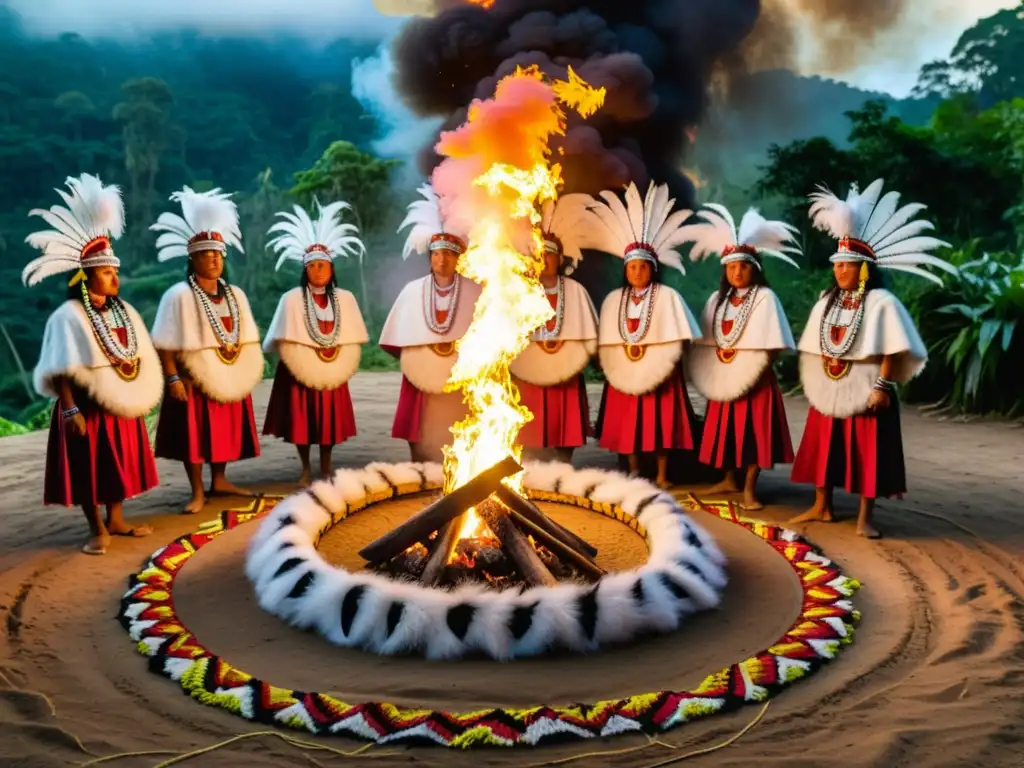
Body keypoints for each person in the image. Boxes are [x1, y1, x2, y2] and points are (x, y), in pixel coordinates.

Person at [789, 178, 955, 538]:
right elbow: (818, 347)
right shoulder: (826, 299)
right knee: (823, 447)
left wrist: (881, 387)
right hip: (831, 387)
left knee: (868, 452)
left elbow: (893, 349)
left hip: (867, 388)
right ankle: (822, 506)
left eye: (847, 266)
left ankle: (865, 516)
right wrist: (818, 383)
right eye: (837, 265)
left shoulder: (882, 304)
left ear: (863, 269)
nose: (839, 270)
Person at [24, 174, 161, 555]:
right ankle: (96, 527)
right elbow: (61, 368)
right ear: (86, 277)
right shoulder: (68, 316)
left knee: (120, 465)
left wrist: (137, 396)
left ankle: (116, 518)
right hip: (85, 407)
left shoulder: (125, 311)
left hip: (120, 404)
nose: (114, 277)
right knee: (90, 468)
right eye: (106, 272)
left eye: (115, 271)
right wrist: (70, 409)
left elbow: (136, 357)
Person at [580, 181, 702, 489]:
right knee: (628, 426)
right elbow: (605, 344)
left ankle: (662, 474)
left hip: (661, 373)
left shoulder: (668, 297)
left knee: (661, 425)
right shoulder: (613, 300)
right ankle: (633, 471)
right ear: (626, 269)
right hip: (624, 373)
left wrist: (666, 362)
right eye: (632, 267)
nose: (637, 272)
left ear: (653, 269)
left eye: (643, 267)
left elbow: (683, 338)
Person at [149, 187, 264, 513]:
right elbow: (165, 342)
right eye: (206, 253)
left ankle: (221, 480)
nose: (214, 258)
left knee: (224, 431)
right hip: (192, 377)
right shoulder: (178, 295)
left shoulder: (235, 294)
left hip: (228, 373)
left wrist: (242, 371)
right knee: (195, 436)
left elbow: (246, 339)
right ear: (193, 258)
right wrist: (172, 378)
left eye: (218, 253)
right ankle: (197, 490)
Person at [681, 205, 801, 509]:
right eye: (731, 266)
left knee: (754, 436)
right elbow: (708, 344)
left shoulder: (764, 298)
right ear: (725, 269)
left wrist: (754, 372)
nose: (737, 272)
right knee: (726, 433)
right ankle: (728, 480)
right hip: (724, 378)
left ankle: (749, 488)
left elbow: (773, 343)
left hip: (756, 380)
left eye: (744, 267)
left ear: (755, 269)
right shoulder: (716, 300)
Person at [262, 200, 369, 484]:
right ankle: (305, 467)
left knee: (328, 422)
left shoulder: (345, 299)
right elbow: (279, 338)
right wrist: (295, 361)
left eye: (323, 265)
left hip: (332, 368)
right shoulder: (291, 299)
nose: (318, 270)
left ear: (331, 269)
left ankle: (325, 466)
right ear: (305, 269)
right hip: (298, 370)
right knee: (302, 421)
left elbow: (352, 338)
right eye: (312, 266)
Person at [379, 183, 481, 463]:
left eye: (448, 254)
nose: (442, 259)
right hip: (421, 370)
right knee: (417, 421)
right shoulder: (413, 290)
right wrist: (419, 358)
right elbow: (395, 340)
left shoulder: (475, 291)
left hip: (461, 370)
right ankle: (419, 467)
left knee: (461, 420)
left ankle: (459, 466)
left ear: (458, 259)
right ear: (430, 258)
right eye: (437, 254)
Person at [510, 195, 599, 462]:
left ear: (560, 259)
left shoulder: (576, 291)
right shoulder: (519, 291)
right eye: (541, 255)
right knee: (527, 419)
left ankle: (564, 466)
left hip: (565, 368)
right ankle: (526, 467)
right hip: (528, 367)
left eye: (550, 255)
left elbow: (588, 334)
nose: (545, 260)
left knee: (565, 418)